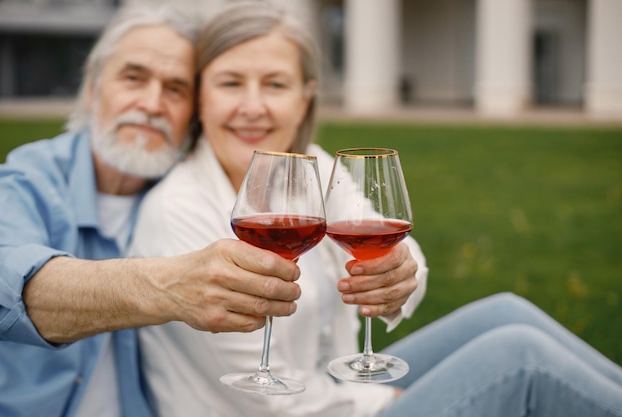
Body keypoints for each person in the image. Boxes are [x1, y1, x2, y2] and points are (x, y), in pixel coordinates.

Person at [129, 2, 622, 417]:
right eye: (231, 83)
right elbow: (264, 399)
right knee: (521, 360)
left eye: (275, 85)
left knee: (507, 314)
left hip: (333, 386)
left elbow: (403, 253)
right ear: (199, 99)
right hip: (294, 410)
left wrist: (400, 277)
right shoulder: (177, 210)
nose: (253, 106)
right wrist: (383, 398)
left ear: (305, 100)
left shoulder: (314, 168)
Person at [0, 4, 305, 417]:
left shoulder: (187, 195)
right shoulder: (23, 182)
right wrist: (165, 288)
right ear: (91, 87)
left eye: (175, 88)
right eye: (133, 78)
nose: (152, 103)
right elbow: (14, 291)